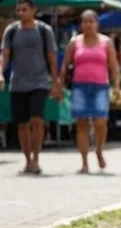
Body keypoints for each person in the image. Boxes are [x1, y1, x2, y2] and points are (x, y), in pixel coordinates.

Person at [0, 0, 59, 175]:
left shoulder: (44, 31)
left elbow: (52, 57)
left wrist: (55, 81)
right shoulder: (11, 31)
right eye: (18, 10)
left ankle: (36, 159)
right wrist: (1, 73)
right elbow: (4, 55)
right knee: (22, 123)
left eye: (24, 10)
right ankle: (27, 160)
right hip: (18, 83)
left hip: (39, 82)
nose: (20, 13)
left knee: (37, 120)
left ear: (33, 10)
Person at [58, 10, 120, 173]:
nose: (88, 25)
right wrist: (60, 84)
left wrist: (117, 86)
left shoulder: (106, 42)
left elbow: (114, 66)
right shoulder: (74, 42)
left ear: (97, 24)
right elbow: (65, 65)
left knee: (100, 122)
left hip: (100, 86)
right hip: (80, 87)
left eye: (91, 22)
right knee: (82, 124)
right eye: (85, 22)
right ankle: (84, 162)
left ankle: (99, 150)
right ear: (81, 24)